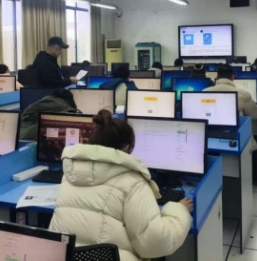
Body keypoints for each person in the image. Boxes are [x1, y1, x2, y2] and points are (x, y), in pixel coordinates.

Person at [49, 110, 193, 260]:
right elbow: (155, 244)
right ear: (127, 148)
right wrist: (179, 210)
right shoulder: (132, 182)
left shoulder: (70, 174)